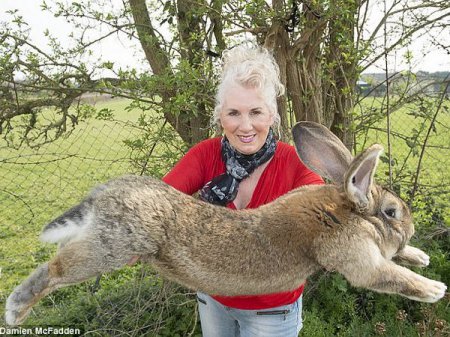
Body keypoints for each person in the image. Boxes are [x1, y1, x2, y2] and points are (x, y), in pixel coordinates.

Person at [162, 45, 324, 337]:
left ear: (272, 115)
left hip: (272, 310)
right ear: (220, 116)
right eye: (234, 113)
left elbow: (322, 220)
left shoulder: (296, 164)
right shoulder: (204, 155)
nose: (245, 126)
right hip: (213, 298)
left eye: (256, 112)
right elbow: (155, 204)